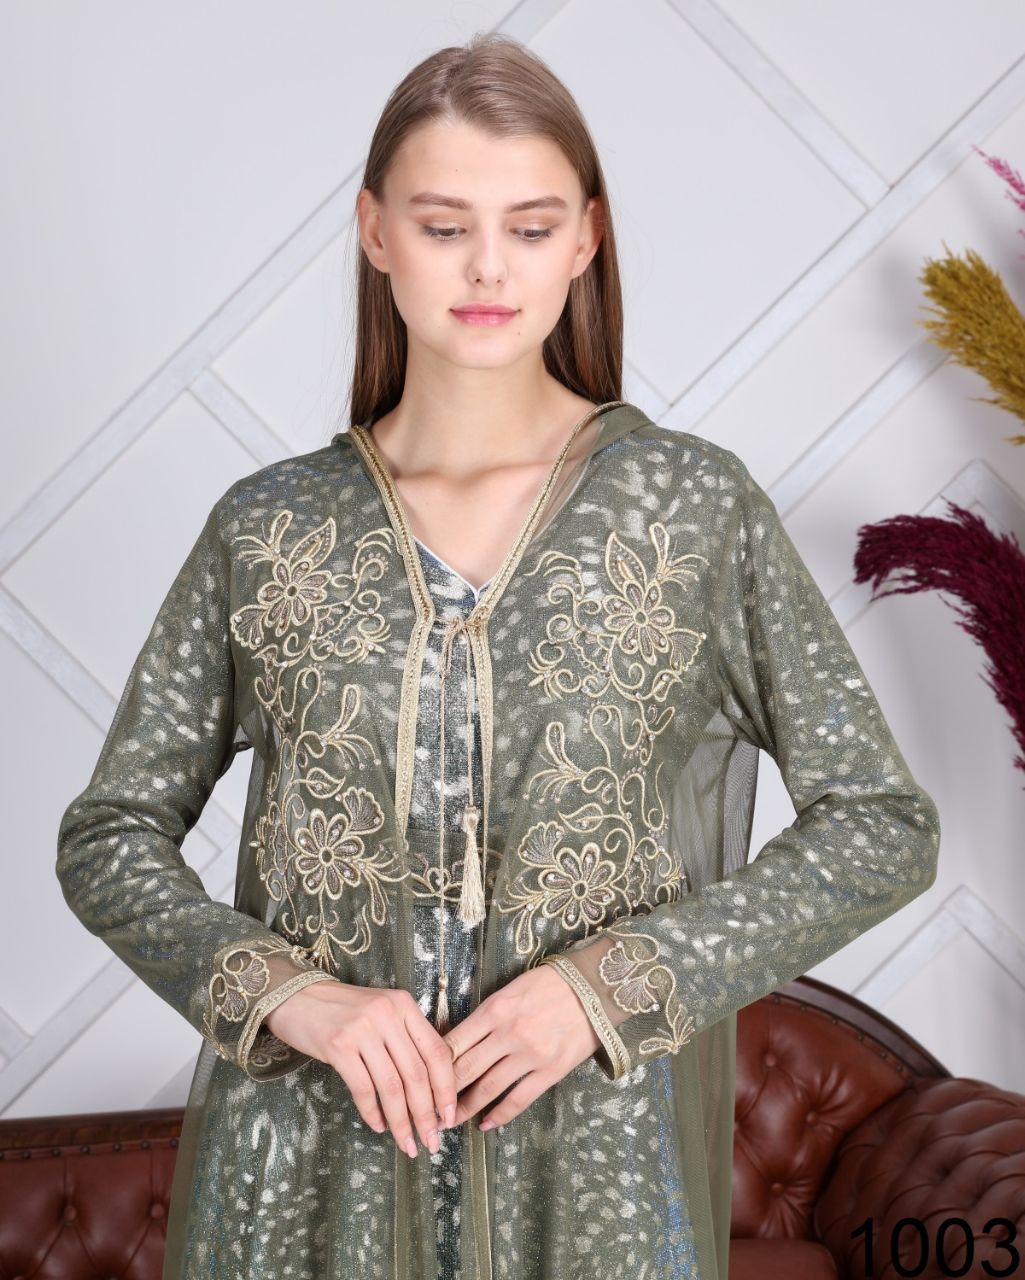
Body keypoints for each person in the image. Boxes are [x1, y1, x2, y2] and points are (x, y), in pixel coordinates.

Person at [55, 31, 941, 1280]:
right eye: (442, 225)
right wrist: (290, 995)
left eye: (528, 227)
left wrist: (607, 985)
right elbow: (108, 835)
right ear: (375, 232)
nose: (486, 266)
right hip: (306, 1174)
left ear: (585, 239)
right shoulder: (270, 529)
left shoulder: (687, 511)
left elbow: (880, 824)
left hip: (588, 1177)